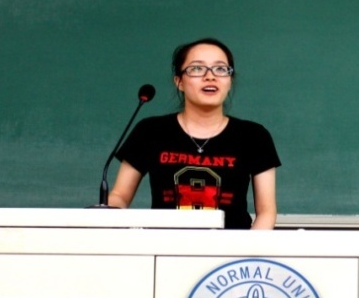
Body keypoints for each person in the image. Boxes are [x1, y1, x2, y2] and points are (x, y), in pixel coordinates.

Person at [108, 38, 281, 230]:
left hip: (232, 246)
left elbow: (266, 211)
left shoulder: (254, 136)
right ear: (179, 82)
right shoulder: (150, 131)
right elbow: (119, 196)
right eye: (197, 68)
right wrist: (106, 218)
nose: (210, 76)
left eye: (220, 69)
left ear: (230, 81)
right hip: (164, 245)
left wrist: (248, 247)